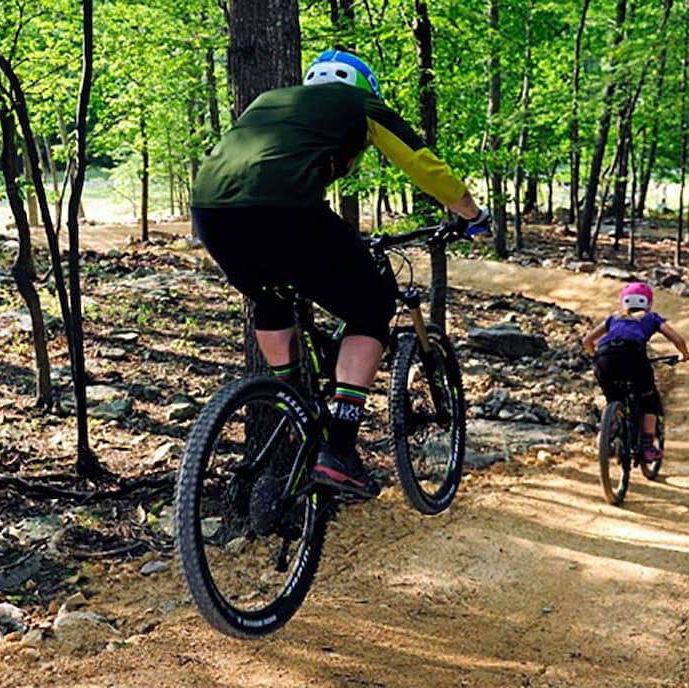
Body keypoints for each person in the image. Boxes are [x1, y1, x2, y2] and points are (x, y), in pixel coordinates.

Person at [191, 50, 491, 499]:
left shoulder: (268, 102)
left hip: (211, 213)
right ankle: (340, 451)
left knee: (272, 300)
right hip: (285, 210)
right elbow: (419, 162)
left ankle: (292, 402)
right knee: (371, 310)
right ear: (364, 88)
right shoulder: (360, 105)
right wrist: (469, 213)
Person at [581, 283, 689, 462]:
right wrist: (684, 354)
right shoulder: (651, 317)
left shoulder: (613, 318)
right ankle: (647, 446)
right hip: (633, 357)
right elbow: (677, 339)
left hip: (604, 359)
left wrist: (596, 355)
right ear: (648, 303)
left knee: (614, 398)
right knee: (649, 399)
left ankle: (605, 435)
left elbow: (587, 340)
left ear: (622, 303)